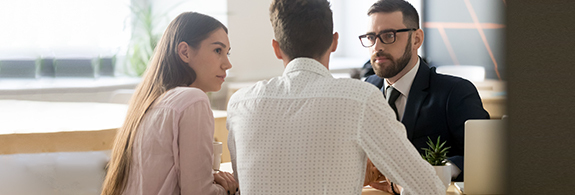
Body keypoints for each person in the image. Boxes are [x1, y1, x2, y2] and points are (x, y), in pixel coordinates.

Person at [226, 0, 444, 194]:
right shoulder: (360, 99)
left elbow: (241, 183)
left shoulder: (240, 103)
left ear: (276, 48)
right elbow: (428, 188)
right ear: (334, 42)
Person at [101, 12, 238, 195]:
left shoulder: (149, 101)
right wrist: (228, 188)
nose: (227, 64)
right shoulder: (193, 100)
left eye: (227, 53)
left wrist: (210, 178)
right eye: (217, 51)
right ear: (184, 52)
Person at [361, 0, 490, 182]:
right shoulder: (367, 89)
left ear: (417, 39)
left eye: (389, 35)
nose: (377, 47)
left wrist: (439, 171)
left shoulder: (456, 93)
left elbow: (486, 156)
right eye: (370, 37)